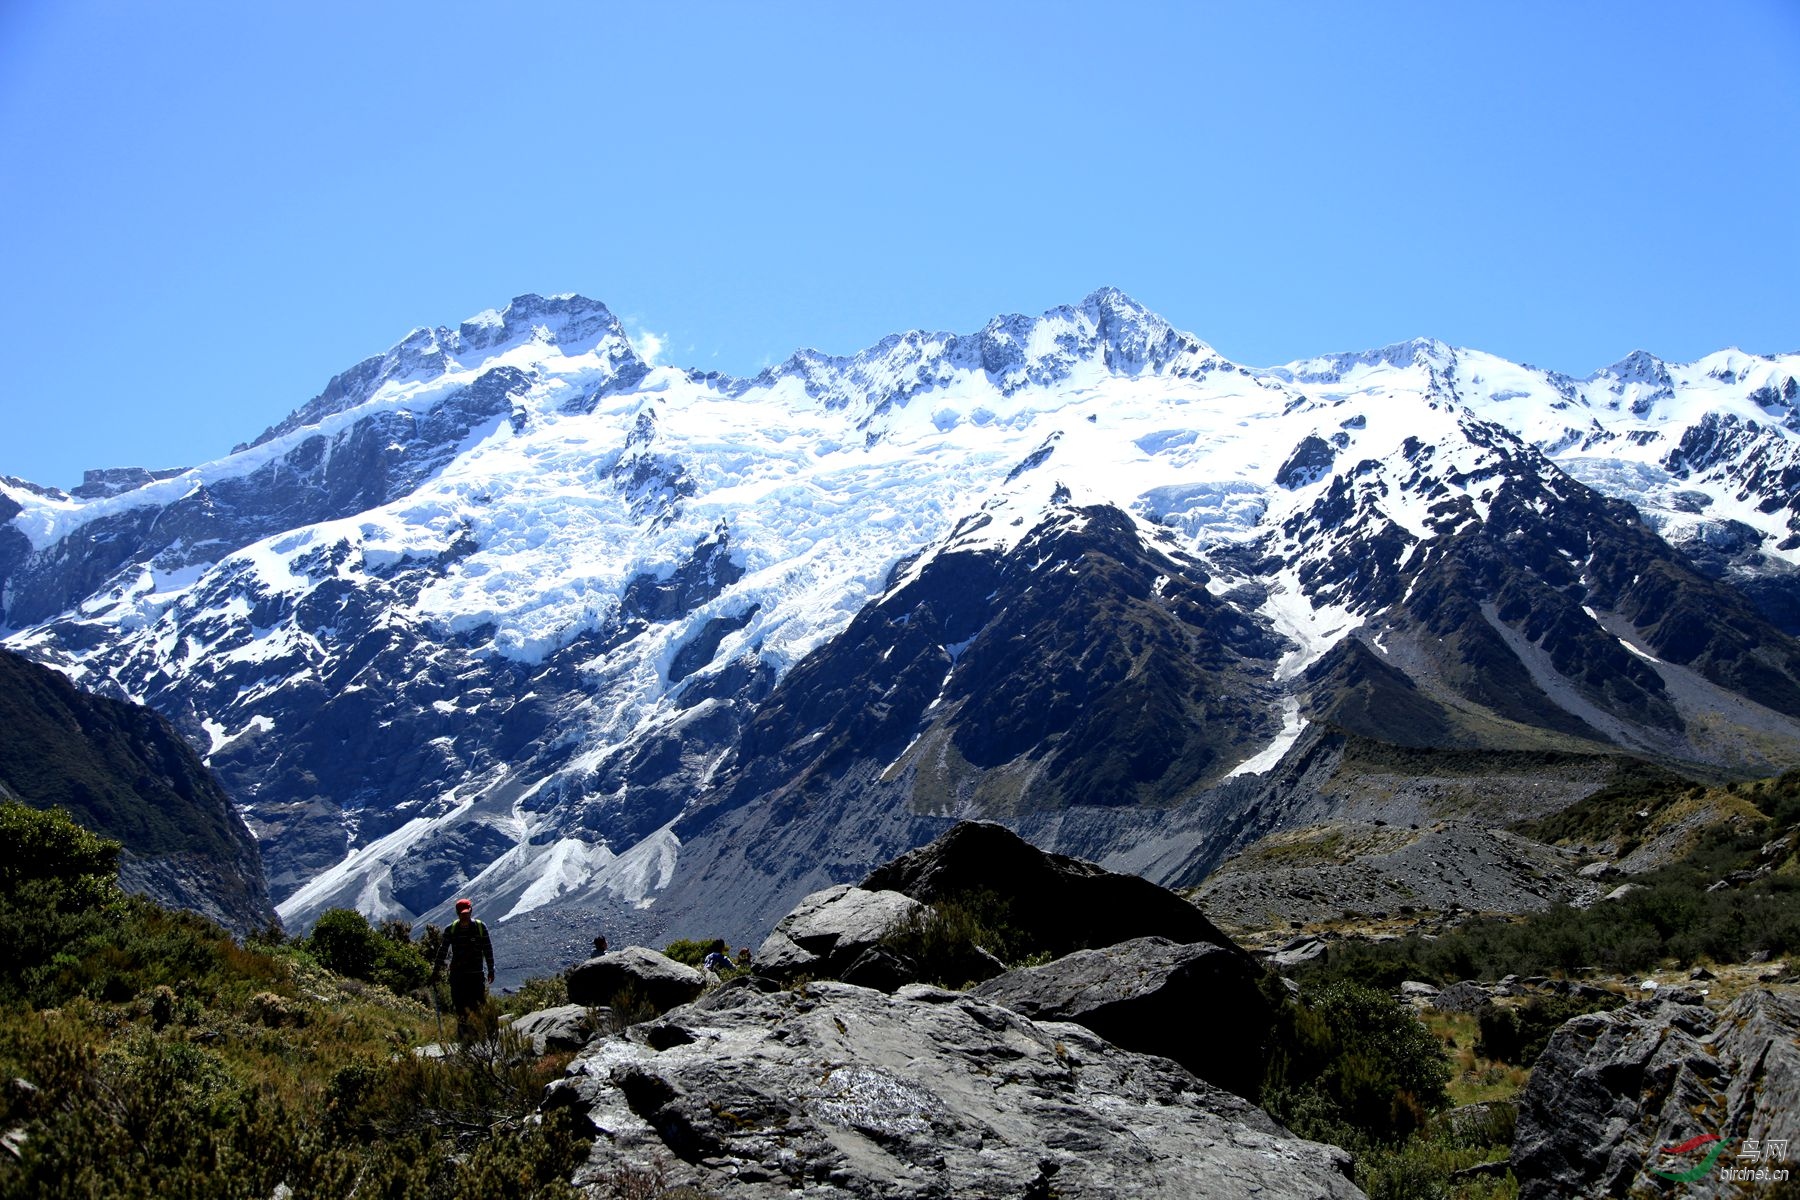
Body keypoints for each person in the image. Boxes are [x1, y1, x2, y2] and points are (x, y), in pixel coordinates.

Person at [432, 897, 495, 1041]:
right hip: (458, 975)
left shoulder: (480, 927)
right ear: (457, 913)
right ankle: (464, 1038)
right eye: (462, 913)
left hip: (476, 974)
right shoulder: (451, 930)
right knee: (460, 1006)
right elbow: (443, 950)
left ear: (471, 911)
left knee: (478, 1005)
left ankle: (480, 1036)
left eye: (466, 913)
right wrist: (436, 971)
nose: (465, 916)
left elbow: (488, 949)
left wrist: (491, 969)